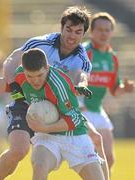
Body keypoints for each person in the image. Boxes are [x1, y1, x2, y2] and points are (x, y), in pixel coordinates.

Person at [0, 6, 109, 180]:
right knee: (19, 150)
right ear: (61, 28)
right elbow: (11, 61)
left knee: (96, 138)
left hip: (57, 106)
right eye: (68, 29)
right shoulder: (40, 43)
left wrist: (81, 85)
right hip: (27, 101)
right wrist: (13, 86)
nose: (72, 36)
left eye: (78, 32)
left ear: (83, 34)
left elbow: (81, 77)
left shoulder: (82, 60)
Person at [81, 12, 135, 174]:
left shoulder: (113, 58)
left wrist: (125, 89)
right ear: (91, 31)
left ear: (112, 32)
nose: (104, 33)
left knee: (109, 158)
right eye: (100, 30)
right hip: (80, 111)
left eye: (107, 30)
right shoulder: (84, 53)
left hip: (97, 111)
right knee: (88, 159)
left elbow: (114, 91)